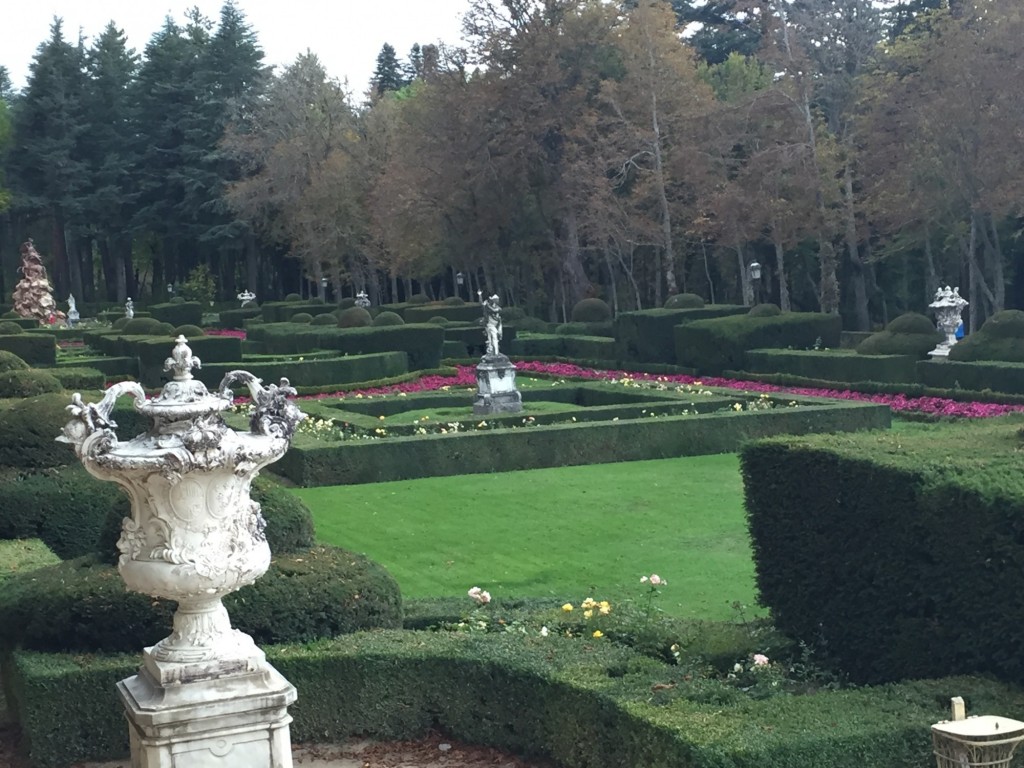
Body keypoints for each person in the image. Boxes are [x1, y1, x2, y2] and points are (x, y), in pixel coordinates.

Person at [478, 290, 502, 356]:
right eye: (496, 300)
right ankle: (495, 352)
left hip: (497, 324)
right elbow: (481, 304)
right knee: (492, 336)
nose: (497, 301)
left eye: (497, 300)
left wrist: (487, 305)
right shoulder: (487, 307)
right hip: (489, 324)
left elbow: (494, 311)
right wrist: (480, 295)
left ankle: (493, 350)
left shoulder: (498, 308)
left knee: (495, 336)